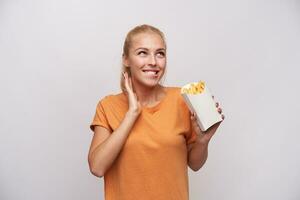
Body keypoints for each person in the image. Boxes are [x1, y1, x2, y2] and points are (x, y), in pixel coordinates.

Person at [88, 24, 224, 200]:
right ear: (126, 59)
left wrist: (203, 141)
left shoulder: (182, 99)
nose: (153, 61)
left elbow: (195, 164)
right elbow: (97, 167)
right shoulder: (108, 106)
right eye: (142, 53)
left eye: (160, 53)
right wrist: (132, 113)